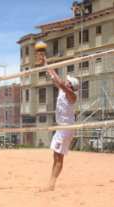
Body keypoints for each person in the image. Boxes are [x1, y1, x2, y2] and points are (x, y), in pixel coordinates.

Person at [37, 53, 79, 191]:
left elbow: (60, 82)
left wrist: (52, 66)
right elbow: (53, 79)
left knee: (59, 157)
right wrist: (45, 64)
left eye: (68, 81)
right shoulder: (62, 91)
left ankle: (51, 185)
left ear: (71, 85)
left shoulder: (72, 95)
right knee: (55, 156)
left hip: (67, 128)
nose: (66, 81)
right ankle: (51, 183)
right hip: (61, 127)